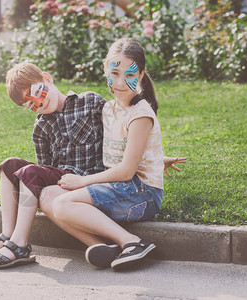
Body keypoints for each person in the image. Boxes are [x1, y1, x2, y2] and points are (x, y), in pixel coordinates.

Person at [0, 62, 185, 269]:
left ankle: (19, 244)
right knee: (9, 166)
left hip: (93, 179)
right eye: (31, 105)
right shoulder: (40, 128)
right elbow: (45, 171)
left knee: (29, 173)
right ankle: (7, 236)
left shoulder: (90, 101)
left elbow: (121, 135)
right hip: (65, 180)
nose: (39, 104)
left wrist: (156, 158)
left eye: (38, 94)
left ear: (47, 78)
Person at [47, 37, 177, 270]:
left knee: (62, 205)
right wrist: (158, 160)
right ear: (105, 69)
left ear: (140, 75)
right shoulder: (109, 108)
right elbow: (127, 152)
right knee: (50, 197)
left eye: (129, 74)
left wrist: (82, 181)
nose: (120, 82)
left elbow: (127, 171)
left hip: (142, 193)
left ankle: (134, 242)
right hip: (121, 186)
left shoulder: (140, 114)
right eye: (114, 72)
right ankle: (107, 247)